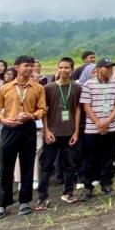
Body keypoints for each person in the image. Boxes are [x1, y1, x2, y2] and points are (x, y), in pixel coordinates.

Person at [0, 56, 46, 219]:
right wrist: (3, 120)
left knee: (27, 165)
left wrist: (32, 116)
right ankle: (2, 204)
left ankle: (25, 201)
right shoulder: (5, 88)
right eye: (26, 66)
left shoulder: (37, 88)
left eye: (31, 66)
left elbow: (42, 109)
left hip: (28, 128)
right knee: (6, 166)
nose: (29, 69)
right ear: (17, 67)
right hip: (9, 128)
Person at [78, 58, 115, 200]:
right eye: (106, 68)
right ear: (98, 69)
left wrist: (108, 122)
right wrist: (99, 123)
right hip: (93, 128)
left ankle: (106, 184)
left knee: (108, 157)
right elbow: (86, 106)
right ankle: (88, 187)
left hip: (110, 127)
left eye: (111, 68)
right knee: (90, 158)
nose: (109, 70)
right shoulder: (88, 84)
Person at [39, 58, 83, 206]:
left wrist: (76, 131)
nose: (64, 70)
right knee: (46, 166)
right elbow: (44, 111)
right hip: (52, 133)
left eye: (67, 68)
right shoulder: (48, 88)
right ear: (57, 69)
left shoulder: (76, 88)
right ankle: (42, 197)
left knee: (70, 165)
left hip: (69, 133)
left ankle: (68, 192)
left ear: (72, 69)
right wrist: (46, 130)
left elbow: (77, 109)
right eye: (61, 67)